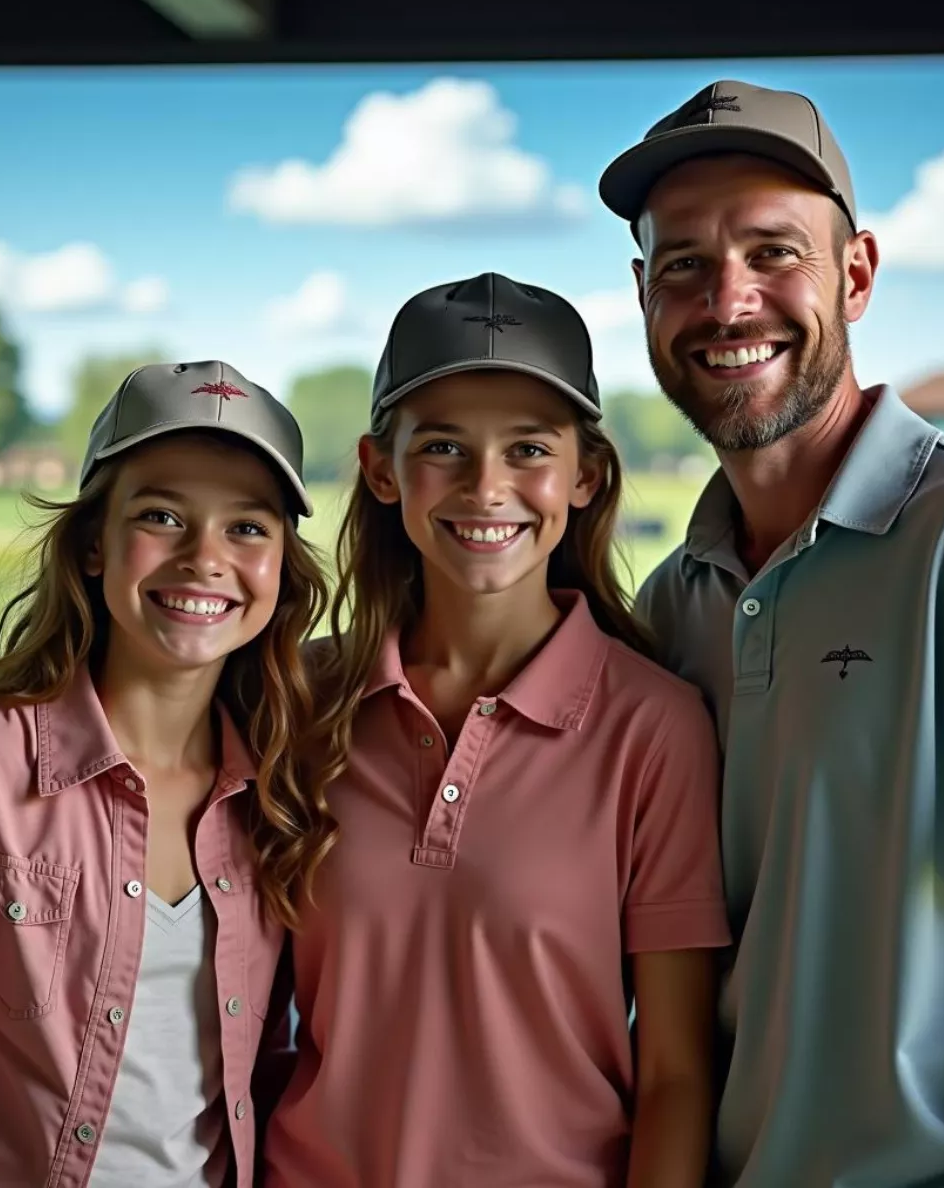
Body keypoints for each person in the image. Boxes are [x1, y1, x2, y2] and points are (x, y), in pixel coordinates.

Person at [597, 79, 944, 1186]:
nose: (729, 301)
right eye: (686, 267)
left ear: (855, 274)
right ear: (644, 295)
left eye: (773, 253)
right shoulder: (672, 604)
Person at [263, 271, 730, 1188]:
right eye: (444, 446)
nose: (488, 487)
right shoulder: (300, 701)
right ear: (380, 467)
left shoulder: (655, 728)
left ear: (586, 476)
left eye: (528, 450)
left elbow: (676, 1076)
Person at [0, 360, 335, 1188]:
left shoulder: (280, 795)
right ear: (91, 543)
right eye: (160, 515)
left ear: (282, 566)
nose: (206, 558)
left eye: (248, 528)